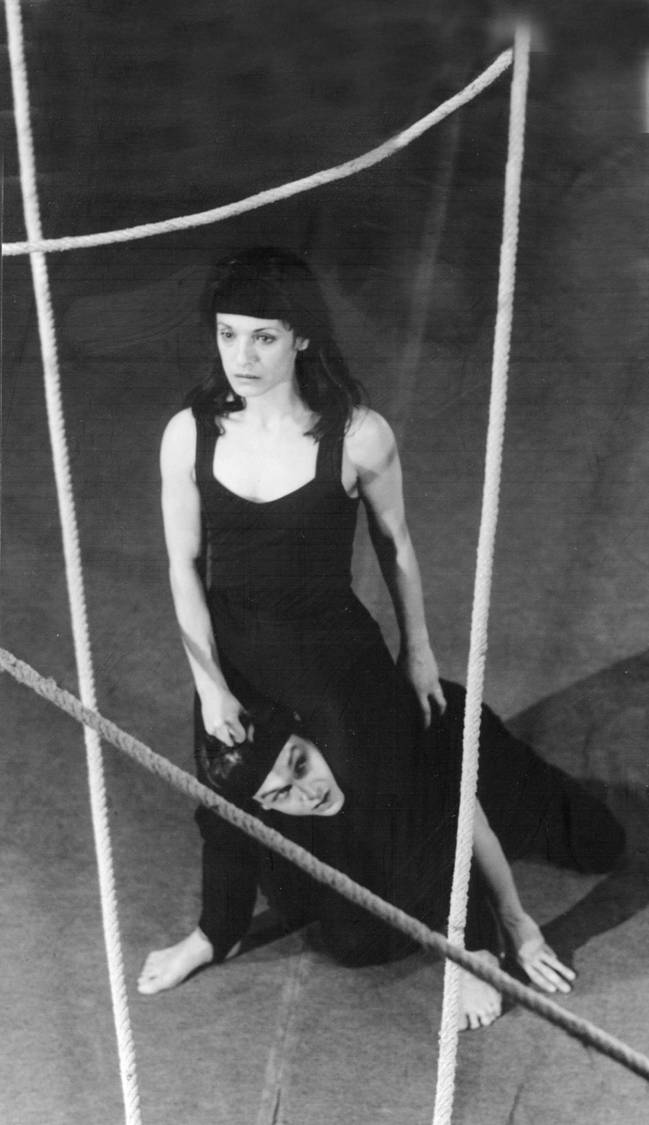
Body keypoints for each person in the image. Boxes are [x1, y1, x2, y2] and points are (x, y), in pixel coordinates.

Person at [137, 247, 624, 1028]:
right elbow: (182, 565)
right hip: (237, 660)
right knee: (234, 804)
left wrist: (417, 651)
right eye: (228, 334)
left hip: (336, 661)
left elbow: (397, 548)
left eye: (264, 336)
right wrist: (210, 685)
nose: (242, 356)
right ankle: (213, 932)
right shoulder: (187, 435)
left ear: (301, 336)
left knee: (398, 810)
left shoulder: (357, 435)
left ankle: (475, 946)